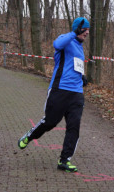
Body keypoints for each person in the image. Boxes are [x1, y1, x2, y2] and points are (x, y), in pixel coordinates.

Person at [17, 17, 90, 173]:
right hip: (60, 89)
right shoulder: (65, 40)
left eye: (88, 30)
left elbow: (74, 65)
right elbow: (57, 44)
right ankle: (29, 137)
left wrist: (81, 76)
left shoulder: (80, 47)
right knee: (50, 122)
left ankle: (64, 160)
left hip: (76, 93)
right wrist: (74, 32)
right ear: (78, 29)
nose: (87, 32)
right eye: (85, 29)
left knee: (74, 126)